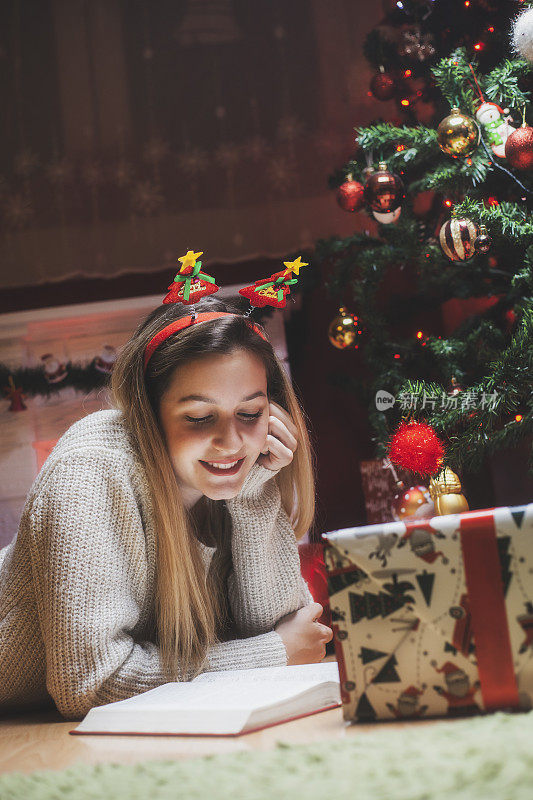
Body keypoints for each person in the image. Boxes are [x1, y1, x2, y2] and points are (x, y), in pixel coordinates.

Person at [0, 296, 332, 719]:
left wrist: (251, 492)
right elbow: (90, 684)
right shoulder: (90, 470)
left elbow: (285, 630)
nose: (231, 442)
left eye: (249, 412)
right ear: (148, 412)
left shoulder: (232, 480)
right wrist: (270, 653)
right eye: (198, 417)